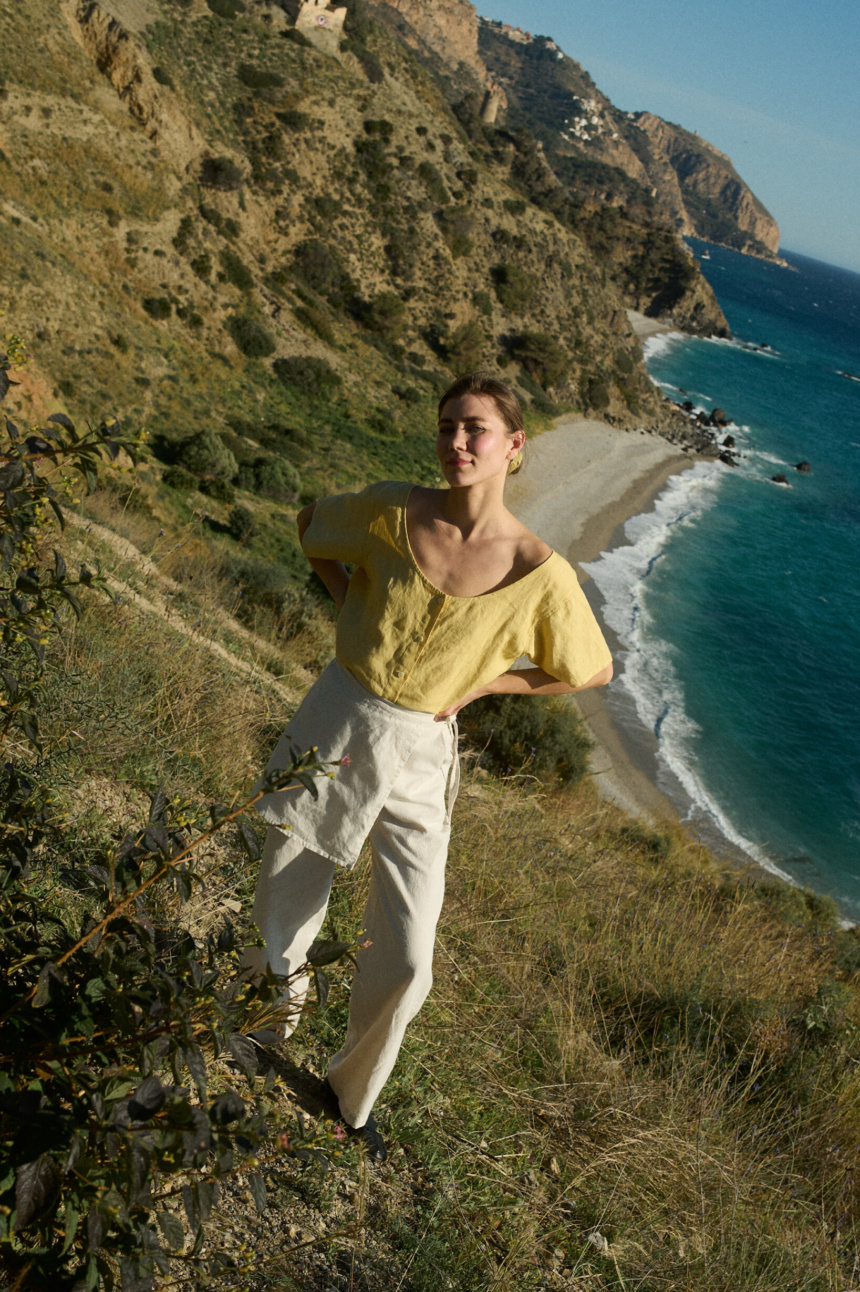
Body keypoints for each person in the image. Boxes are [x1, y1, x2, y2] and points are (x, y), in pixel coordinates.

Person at [245, 373, 612, 1160]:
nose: (456, 443)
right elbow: (312, 528)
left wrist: (487, 682)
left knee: (410, 952)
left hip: (419, 754)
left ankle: (351, 1095)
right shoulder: (389, 509)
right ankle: (261, 1030)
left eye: (475, 430)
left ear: (515, 446)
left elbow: (585, 669)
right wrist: (350, 606)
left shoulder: (539, 572)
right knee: (287, 891)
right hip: (338, 717)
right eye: (448, 426)